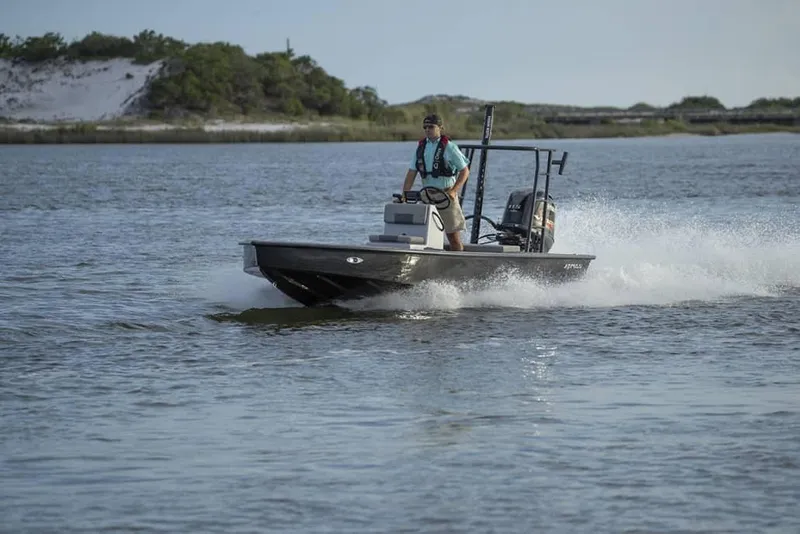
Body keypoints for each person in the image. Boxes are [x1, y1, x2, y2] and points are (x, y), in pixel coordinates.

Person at [400, 113, 470, 251]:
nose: (427, 130)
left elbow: (465, 171)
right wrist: (404, 194)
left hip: (446, 196)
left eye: (430, 127)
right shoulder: (421, 147)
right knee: (423, 235)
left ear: (440, 128)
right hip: (427, 196)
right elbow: (411, 173)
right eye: (425, 127)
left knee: (453, 238)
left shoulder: (450, 147)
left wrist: (454, 191)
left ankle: (459, 265)